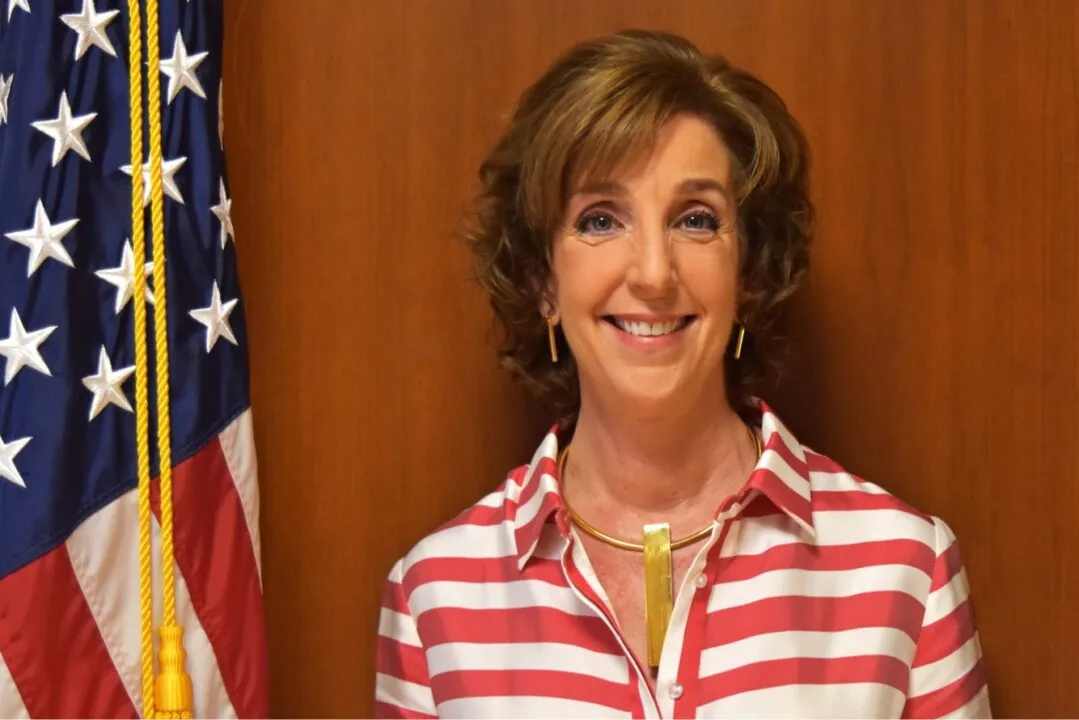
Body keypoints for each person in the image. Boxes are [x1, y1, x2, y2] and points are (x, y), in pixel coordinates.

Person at [374, 29, 990, 719]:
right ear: (540, 277)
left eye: (695, 220)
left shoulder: (905, 570)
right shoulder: (434, 598)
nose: (653, 274)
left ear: (748, 271)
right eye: (600, 220)